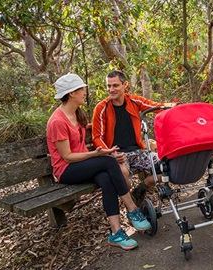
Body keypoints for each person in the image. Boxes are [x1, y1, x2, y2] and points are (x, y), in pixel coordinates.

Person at [46, 73, 150, 251]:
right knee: (109, 162)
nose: (84, 93)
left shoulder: (76, 114)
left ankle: (116, 232)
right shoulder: (57, 121)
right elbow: (67, 157)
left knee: (106, 178)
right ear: (72, 93)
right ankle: (132, 208)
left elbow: (86, 134)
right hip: (66, 170)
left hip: (81, 166)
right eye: (81, 90)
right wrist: (96, 154)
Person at [92, 70, 174, 206]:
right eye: (108, 86)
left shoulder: (134, 101)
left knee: (168, 166)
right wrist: (111, 153)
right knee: (122, 175)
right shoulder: (101, 108)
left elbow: (155, 106)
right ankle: (133, 205)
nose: (111, 90)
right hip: (117, 154)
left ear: (125, 85)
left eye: (115, 85)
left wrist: (174, 107)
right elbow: (97, 137)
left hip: (138, 151)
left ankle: (141, 188)